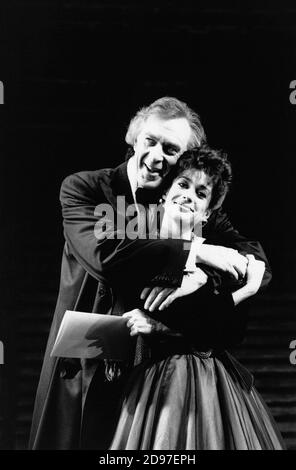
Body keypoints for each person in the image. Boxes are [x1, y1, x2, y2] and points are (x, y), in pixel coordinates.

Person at [29, 97, 272, 449]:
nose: (157, 157)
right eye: (151, 141)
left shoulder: (180, 198)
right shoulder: (84, 188)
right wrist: (196, 253)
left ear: (184, 160)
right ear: (134, 137)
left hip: (149, 374)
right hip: (86, 368)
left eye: (171, 149)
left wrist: (206, 279)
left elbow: (252, 260)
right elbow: (105, 256)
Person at [109, 146, 284, 450]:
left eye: (201, 194)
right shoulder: (137, 245)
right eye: (183, 184)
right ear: (164, 193)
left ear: (207, 212)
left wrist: (242, 290)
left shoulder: (222, 259)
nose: (190, 195)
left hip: (209, 382)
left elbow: (229, 332)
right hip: (150, 381)